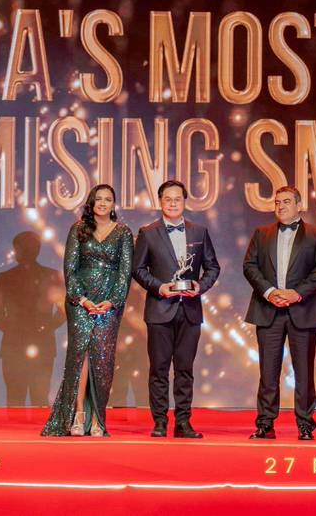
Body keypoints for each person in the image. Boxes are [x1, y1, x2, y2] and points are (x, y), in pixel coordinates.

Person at [41, 184, 134, 437]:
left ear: (113, 204)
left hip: (109, 304)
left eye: (108, 199)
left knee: (102, 360)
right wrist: (81, 299)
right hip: (80, 303)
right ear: (91, 203)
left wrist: (113, 301)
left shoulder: (123, 232)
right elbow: (70, 269)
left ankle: (97, 419)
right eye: (98, 199)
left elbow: (125, 272)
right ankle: (78, 415)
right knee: (79, 357)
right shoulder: (79, 229)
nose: (103, 203)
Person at [243, 186, 316, 441]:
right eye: (277, 202)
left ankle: (305, 424)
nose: (280, 206)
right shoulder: (262, 234)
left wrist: (296, 293)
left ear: (299, 205)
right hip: (268, 309)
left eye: (286, 202)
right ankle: (265, 424)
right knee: (268, 372)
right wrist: (270, 292)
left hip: (303, 310)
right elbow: (249, 266)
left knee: (303, 372)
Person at [132, 180, 220, 438]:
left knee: (185, 370)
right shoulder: (148, 232)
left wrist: (200, 286)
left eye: (177, 199)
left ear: (184, 202)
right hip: (160, 309)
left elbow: (213, 267)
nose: (172, 203)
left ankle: (183, 423)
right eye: (168, 199)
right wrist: (160, 287)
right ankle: (160, 422)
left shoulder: (199, 231)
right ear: (160, 202)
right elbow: (138, 269)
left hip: (190, 310)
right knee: (159, 369)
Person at [0, 232, 64, 406]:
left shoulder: (5, 278)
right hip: (38, 344)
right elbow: (64, 309)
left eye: (17, 248)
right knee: (37, 398)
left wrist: (8, 326)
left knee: (17, 398)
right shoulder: (51, 276)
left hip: (16, 344)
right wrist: (48, 327)